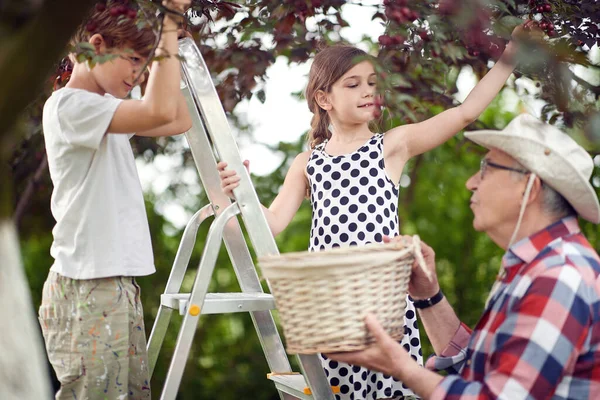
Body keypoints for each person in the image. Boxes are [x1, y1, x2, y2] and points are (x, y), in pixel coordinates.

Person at [219, 22, 538, 400]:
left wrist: (510, 57)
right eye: (352, 85)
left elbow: (465, 112)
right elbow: (269, 223)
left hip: (384, 302)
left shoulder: (391, 146)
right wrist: (237, 192)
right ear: (325, 99)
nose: (367, 91)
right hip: (333, 306)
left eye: (371, 83)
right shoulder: (307, 163)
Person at [328, 114, 600, 399]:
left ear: (528, 189)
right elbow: (479, 371)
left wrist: (401, 367)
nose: (472, 182)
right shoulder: (539, 267)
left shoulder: (560, 275)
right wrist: (427, 294)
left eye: (486, 168)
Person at [37, 1, 192, 399]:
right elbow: (159, 111)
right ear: (97, 45)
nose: (139, 72)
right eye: (135, 59)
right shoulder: (69, 106)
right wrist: (169, 24)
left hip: (112, 280)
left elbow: (176, 118)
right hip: (87, 282)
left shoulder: (103, 109)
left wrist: (166, 50)